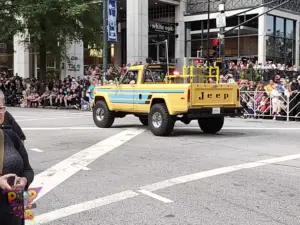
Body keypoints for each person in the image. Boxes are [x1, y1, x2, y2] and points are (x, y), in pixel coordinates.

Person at [0, 103, 34, 225]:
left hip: (16, 204)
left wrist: (24, 180)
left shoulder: (11, 135)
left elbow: (28, 169)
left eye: (1, 108)